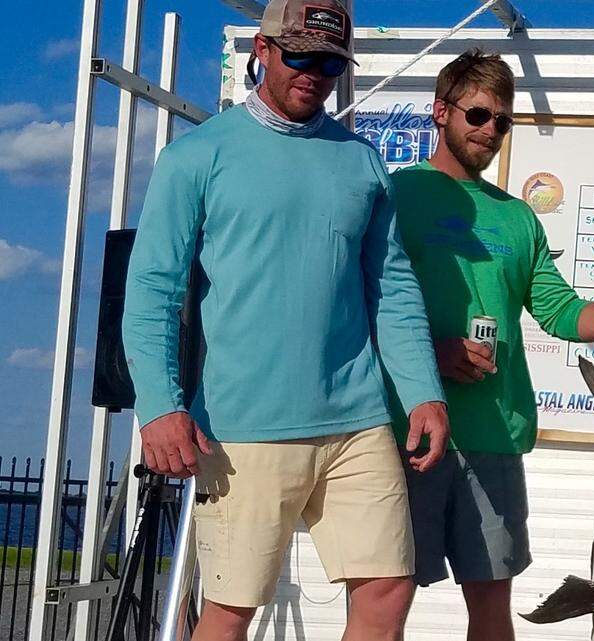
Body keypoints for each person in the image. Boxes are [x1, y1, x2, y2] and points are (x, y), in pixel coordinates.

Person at [121, 2, 449, 639]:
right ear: (262, 49)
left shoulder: (363, 161)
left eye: (329, 63)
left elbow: (392, 287)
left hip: (357, 421)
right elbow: (153, 289)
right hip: (241, 426)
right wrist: (159, 406)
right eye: (299, 54)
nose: (313, 73)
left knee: (388, 587)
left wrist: (423, 393)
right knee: (230, 609)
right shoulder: (196, 157)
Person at [386, 49, 594, 641]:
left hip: (495, 436)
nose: (490, 130)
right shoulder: (392, 194)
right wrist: (434, 355)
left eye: (502, 120)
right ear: (440, 111)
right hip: (402, 434)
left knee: (492, 607)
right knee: (383, 601)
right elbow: (361, 306)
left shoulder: (519, 218)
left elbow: (562, 311)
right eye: (477, 115)